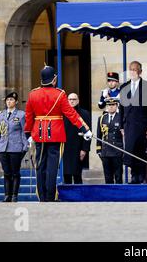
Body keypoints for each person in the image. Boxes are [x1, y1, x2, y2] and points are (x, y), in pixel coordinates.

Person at [24, 66, 92, 202]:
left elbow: (28, 116)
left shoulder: (33, 94)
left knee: (40, 166)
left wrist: (28, 133)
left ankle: (42, 196)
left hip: (38, 133)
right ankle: (51, 196)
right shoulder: (60, 94)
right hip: (55, 133)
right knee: (52, 167)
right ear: (54, 79)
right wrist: (85, 129)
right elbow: (71, 114)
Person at [119, 61, 147, 184]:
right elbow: (121, 108)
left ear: (140, 71)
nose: (132, 72)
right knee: (130, 151)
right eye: (130, 69)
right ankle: (134, 176)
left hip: (142, 125)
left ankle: (141, 176)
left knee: (140, 151)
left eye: (134, 69)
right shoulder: (124, 87)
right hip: (128, 125)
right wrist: (121, 126)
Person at [0, 92, 27, 202]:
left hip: (16, 148)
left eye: (11, 100)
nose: (9, 102)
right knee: (6, 172)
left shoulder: (21, 114)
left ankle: (14, 195)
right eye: (7, 100)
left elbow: (24, 131)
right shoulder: (1, 115)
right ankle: (7, 196)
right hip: (3, 148)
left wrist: (25, 146)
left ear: (16, 102)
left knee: (15, 172)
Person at [63, 93, 91, 185]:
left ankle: (78, 198)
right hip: (65, 148)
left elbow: (88, 133)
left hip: (78, 148)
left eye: (74, 99)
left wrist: (85, 149)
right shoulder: (62, 114)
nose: (72, 101)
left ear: (78, 101)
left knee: (77, 175)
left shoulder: (85, 114)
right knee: (66, 175)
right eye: (70, 99)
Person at [97, 98, 124, 184]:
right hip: (105, 151)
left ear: (116, 106)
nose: (111, 107)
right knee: (108, 176)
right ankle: (109, 196)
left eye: (113, 105)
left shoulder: (121, 117)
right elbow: (99, 135)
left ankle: (118, 194)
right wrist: (98, 149)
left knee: (118, 176)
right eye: (109, 105)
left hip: (117, 150)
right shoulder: (101, 118)